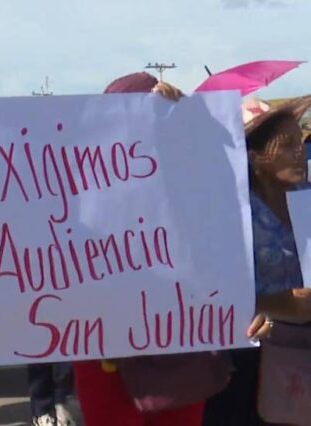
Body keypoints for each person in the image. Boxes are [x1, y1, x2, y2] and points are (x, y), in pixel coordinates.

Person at [72, 72, 274, 426]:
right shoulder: (76, 202)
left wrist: (250, 310)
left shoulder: (200, 192)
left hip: (183, 361)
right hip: (107, 363)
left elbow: (229, 265)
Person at [203, 95, 311, 426]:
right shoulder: (230, 215)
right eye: (287, 144)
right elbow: (212, 292)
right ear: (253, 156)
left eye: (300, 142)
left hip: (301, 356)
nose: (300, 152)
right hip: (247, 362)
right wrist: (282, 305)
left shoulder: (306, 199)